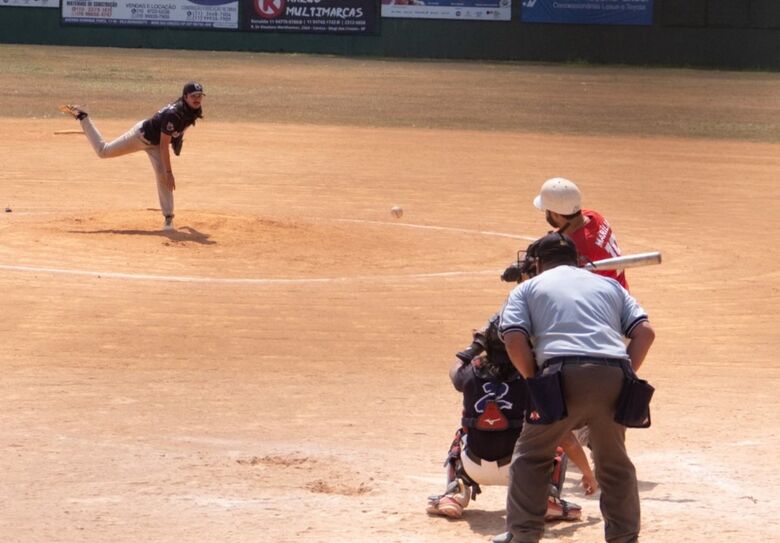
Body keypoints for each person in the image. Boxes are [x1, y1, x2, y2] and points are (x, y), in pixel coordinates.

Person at [497, 232, 655, 543]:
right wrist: (624, 376)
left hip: (560, 375)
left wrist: (534, 380)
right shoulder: (610, 286)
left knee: (531, 456)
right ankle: (624, 538)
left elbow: (514, 338)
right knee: (614, 464)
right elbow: (645, 333)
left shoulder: (527, 288)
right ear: (578, 260)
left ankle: (523, 535)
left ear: (538, 263)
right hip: (613, 373)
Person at [426, 314, 597, 521]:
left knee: (461, 435)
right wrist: (588, 473)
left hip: (473, 466)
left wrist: (473, 348)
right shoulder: (533, 379)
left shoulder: (469, 373)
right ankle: (547, 499)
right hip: (518, 469)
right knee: (554, 437)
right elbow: (568, 440)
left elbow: (455, 369)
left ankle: (455, 492)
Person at [58, 81, 205, 231]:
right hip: (140, 136)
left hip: (156, 143)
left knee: (162, 176)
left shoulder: (193, 109)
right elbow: (163, 146)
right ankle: (82, 115)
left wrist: (177, 138)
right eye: (193, 96)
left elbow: (183, 125)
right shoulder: (173, 114)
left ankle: (168, 218)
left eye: (199, 96)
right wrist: (169, 172)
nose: (197, 99)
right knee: (103, 151)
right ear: (185, 97)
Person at [532, 177, 628, 290]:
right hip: (619, 288)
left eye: (547, 211)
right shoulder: (593, 216)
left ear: (555, 214)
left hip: (604, 298)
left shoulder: (578, 248)